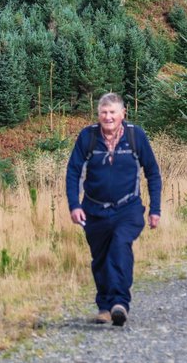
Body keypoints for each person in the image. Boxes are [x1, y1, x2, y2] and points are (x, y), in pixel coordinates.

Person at [65, 92, 162, 327]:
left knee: (119, 246)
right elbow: (73, 172)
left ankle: (120, 303)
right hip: (94, 210)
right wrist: (74, 205)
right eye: (103, 113)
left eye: (112, 112)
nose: (108, 117)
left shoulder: (135, 136)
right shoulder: (88, 137)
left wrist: (155, 209)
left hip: (128, 208)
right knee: (100, 259)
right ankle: (104, 307)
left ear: (122, 114)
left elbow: (152, 173)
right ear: (98, 115)